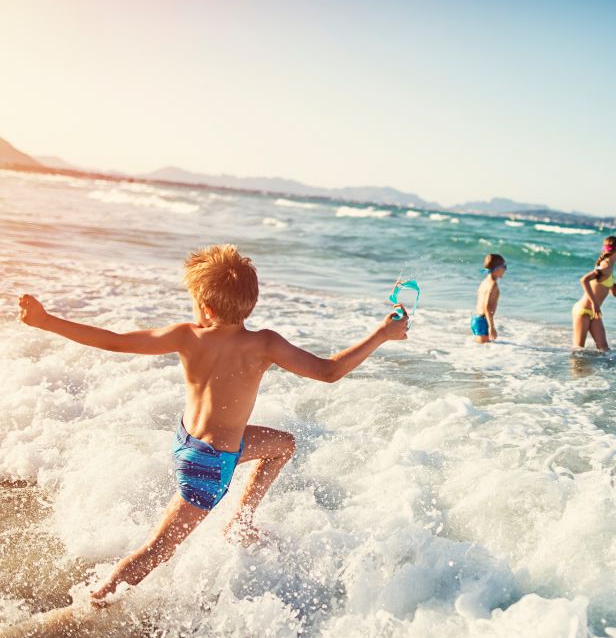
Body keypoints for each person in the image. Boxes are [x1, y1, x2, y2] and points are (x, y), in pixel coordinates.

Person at [17, 244, 408, 603]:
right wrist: (383, 333)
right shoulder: (265, 343)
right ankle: (97, 600)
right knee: (158, 550)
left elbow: (115, 341)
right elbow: (329, 371)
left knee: (282, 445)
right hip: (211, 465)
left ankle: (240, 521)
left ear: (204, 307)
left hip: (190, 442)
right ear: (249, 304)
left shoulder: (187, 335)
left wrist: (46, 320)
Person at [571, 236, 616, 351]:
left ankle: (598, 370)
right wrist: (595, 304)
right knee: (578, 351)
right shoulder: (606, 266)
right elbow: (584, 280)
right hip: (583, 311)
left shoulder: (610, 267)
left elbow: (614, 292)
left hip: (594, 313)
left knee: (604, 350)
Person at [471, 253, 507, 343]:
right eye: (504, 267)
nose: (505, 270)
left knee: (480, 350)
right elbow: (487, 306)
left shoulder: (485, 282)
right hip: (483, 321)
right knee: (482, 353)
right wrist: (491, 326)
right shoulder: (493, 284)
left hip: (476, 319)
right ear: (497, 268)